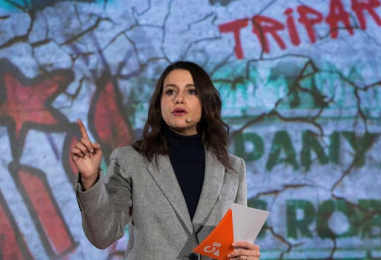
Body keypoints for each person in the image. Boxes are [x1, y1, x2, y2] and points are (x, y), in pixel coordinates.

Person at [72, 61, 261, 260]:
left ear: (206, 102)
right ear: (159, 104)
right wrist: (90, 179)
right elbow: (103, 235)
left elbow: (236, 246)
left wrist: (246, 256)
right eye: (170, 92)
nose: (179, 99)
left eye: (191, 92)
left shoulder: (233, 168)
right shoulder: (130, 160)